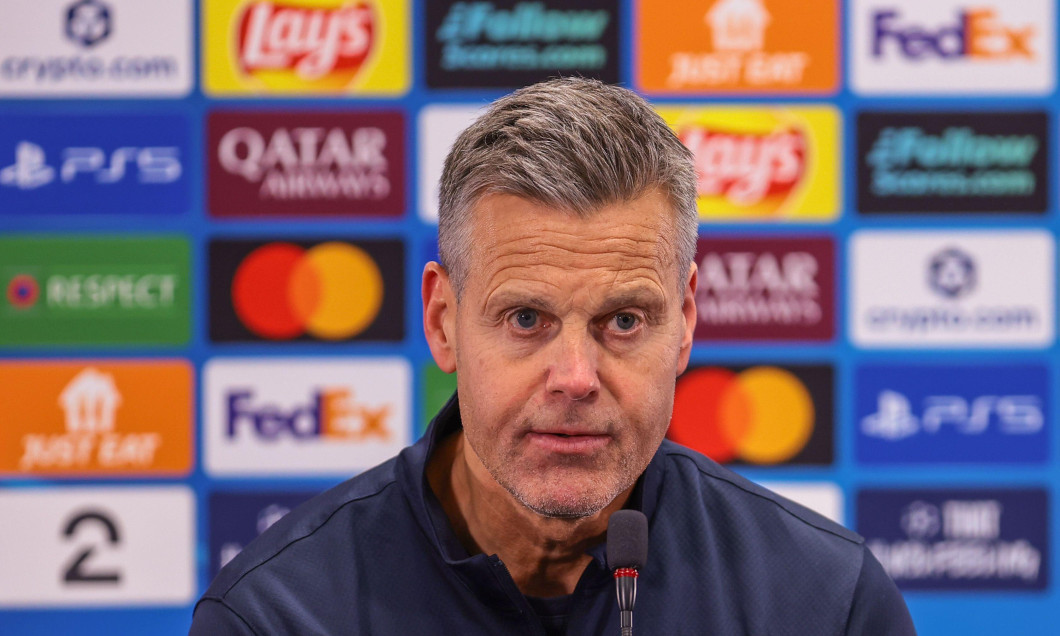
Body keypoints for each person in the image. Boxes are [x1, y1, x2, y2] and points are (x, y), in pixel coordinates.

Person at [189, 77, 916, 635]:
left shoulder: (825, 601)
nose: (575, 378)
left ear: (687, 321)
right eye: (527, 318)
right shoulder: (277, 616)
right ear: (444, 322)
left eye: (624, 320)